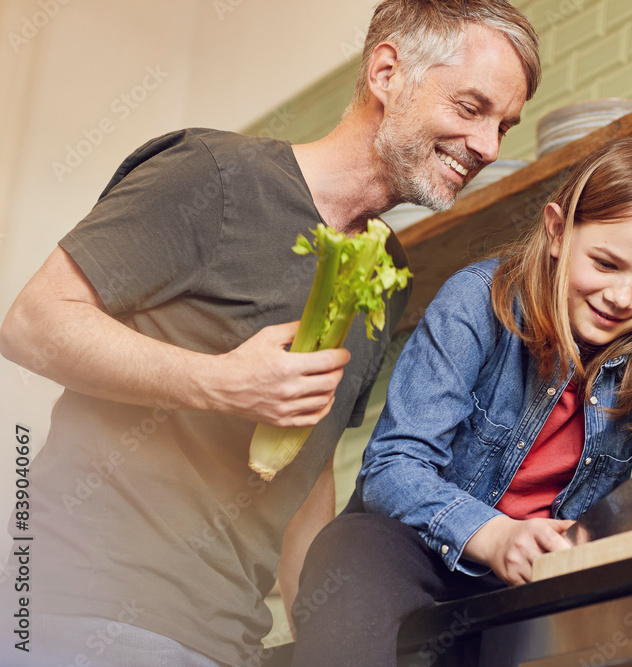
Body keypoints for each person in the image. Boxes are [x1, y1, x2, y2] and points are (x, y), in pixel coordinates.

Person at [0, 1, 540, 665]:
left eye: (504, 126)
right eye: (471, 108)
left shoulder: (384, 274)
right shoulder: (213, 175)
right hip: (82, 612)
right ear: (387, 72)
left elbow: (306, 479)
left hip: (228, 643)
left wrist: (326, 635)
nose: (488, 145)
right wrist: (221, 381)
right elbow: (32, 321)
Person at [290, 136, 632, 666]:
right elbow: (392, 467)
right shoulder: (477, 300)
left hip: (537, 586)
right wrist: (494, 536)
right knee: (349, 554)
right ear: (558, 231)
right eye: (605, 264)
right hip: (414, 551)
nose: (623, 297)